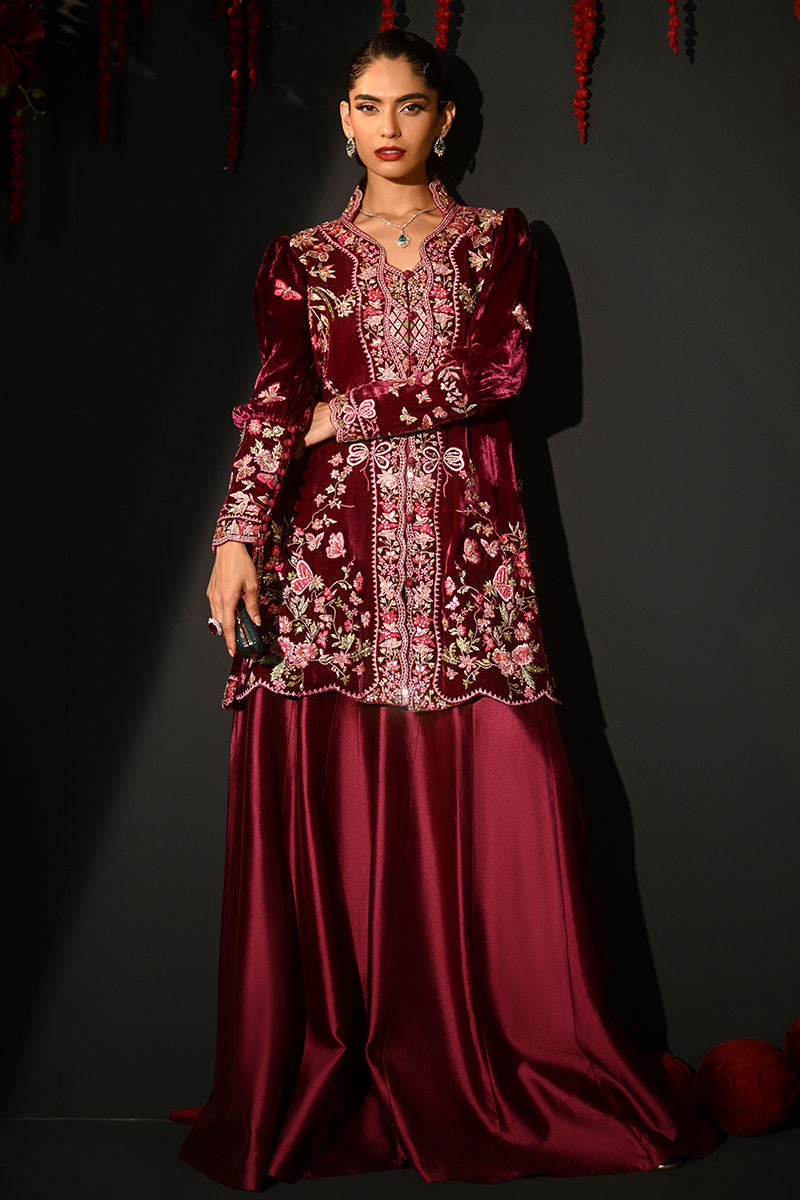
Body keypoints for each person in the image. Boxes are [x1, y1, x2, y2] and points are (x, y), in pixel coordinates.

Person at [178, 28, 724, 1189]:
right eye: (367, 105)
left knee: (495, 791)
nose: (388, 127)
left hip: (467, 560)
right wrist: (233, 538)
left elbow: (497, 376)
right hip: (326, 562)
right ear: (342, 120)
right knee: (329, 805)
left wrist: (349, 415)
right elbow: (273, 405)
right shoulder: (298, 260)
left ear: (446, 121)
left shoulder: (497, 243)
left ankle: (495, 1058)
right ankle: (335, 1062)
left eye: (410, 105)